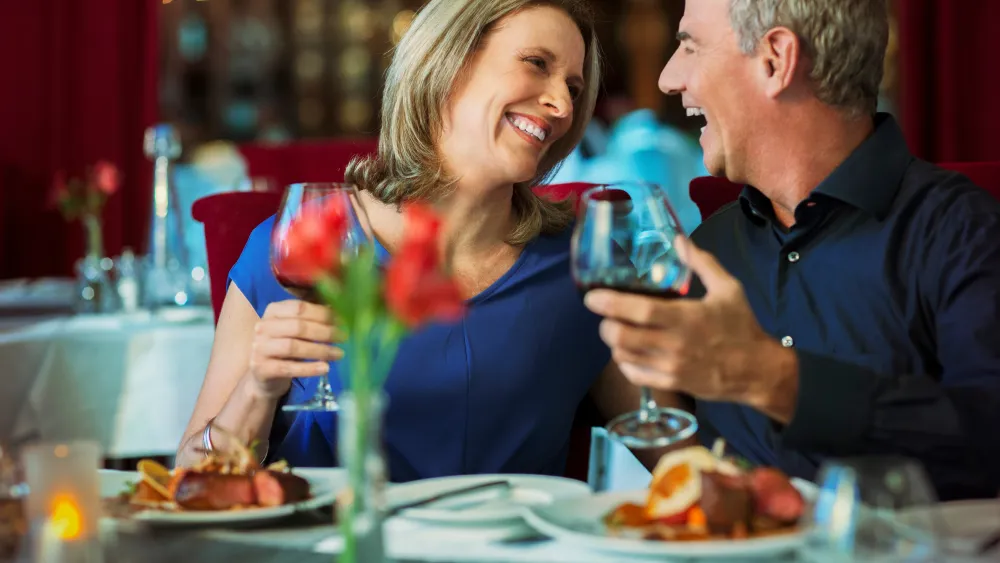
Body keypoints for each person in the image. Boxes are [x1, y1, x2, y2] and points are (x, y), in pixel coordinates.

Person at [175, 0, 649, 482]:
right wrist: (257, 389)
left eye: (573, 86)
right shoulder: (302, 244)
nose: (563, 106)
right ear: (447, 60)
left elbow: (676, 451)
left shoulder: (586, 263)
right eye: (536, 64)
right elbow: (192, 477)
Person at [585, 0, 1000, 501]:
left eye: (690, 45)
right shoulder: (707, 249)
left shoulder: (962, 230)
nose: (669, 78)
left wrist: (773, 379)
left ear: (776, 60)